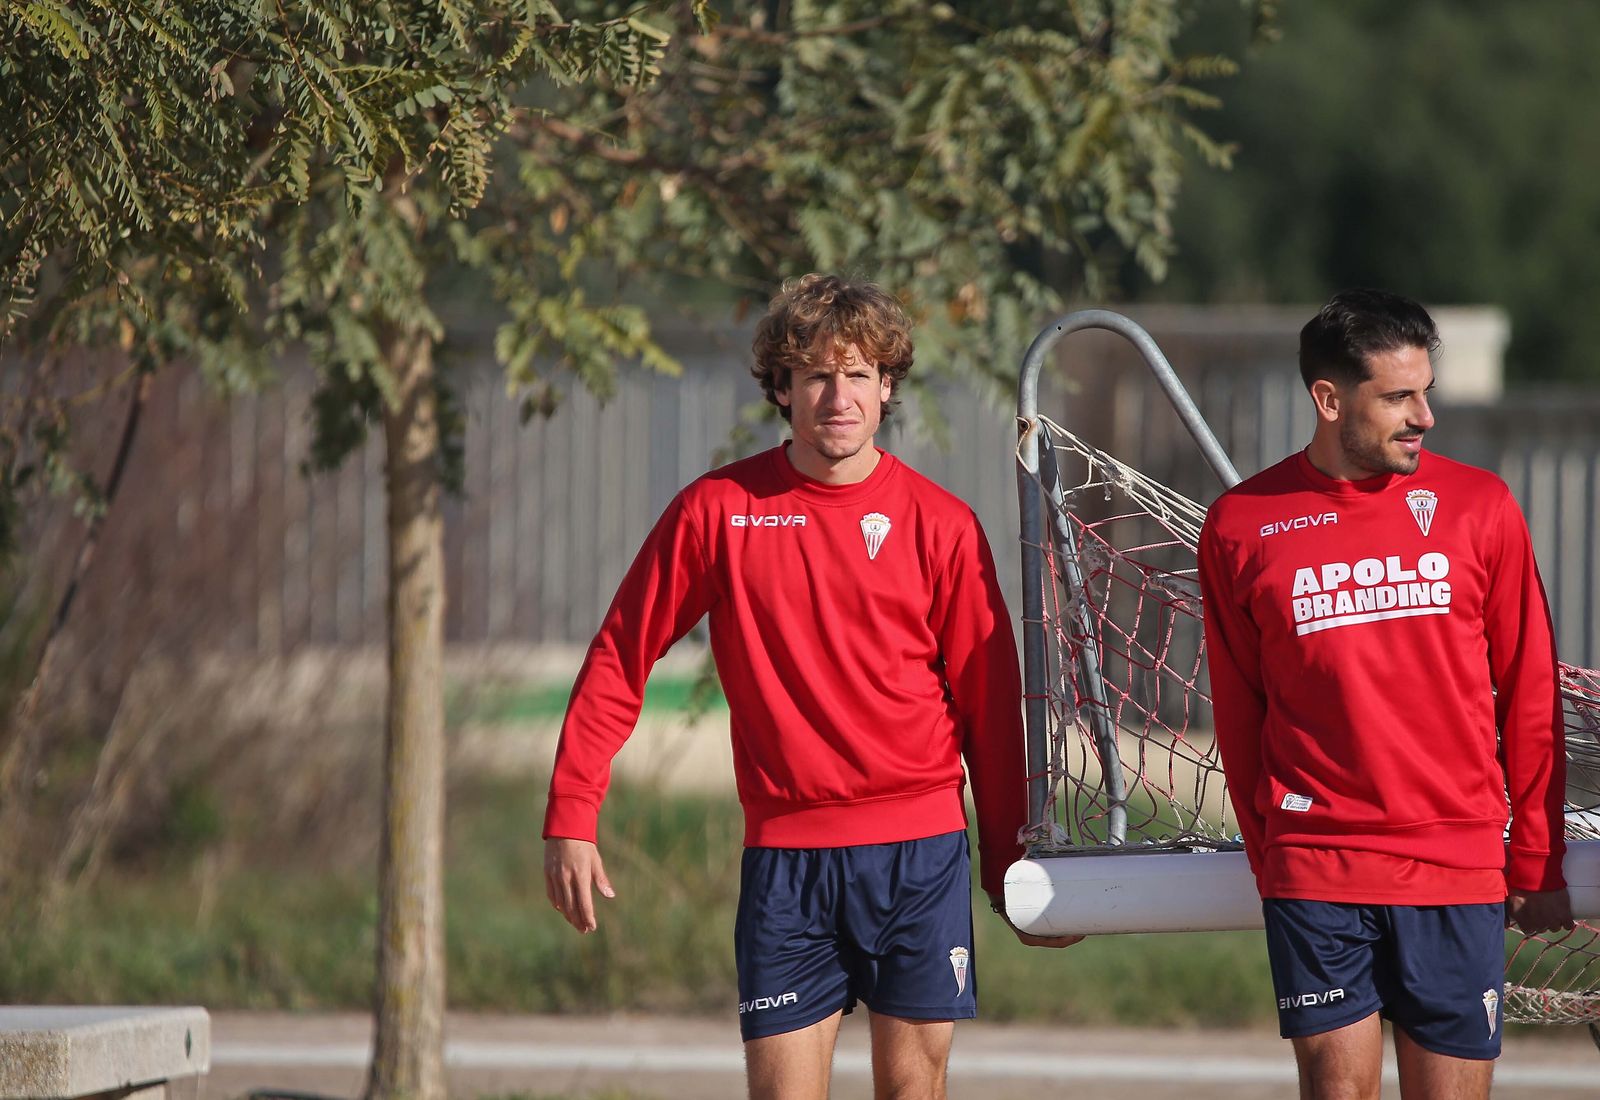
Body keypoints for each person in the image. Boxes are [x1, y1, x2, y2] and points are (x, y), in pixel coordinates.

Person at [543, 273, 1078, 1100]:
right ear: (782, 385)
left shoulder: (941, 524)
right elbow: (621, 653)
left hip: (919, 856)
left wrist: (1007, 861)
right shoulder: (718, 511)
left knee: (912, 1091)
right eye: (817, 374)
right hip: (787, 863)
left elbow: (989, 704)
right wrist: (573, 813)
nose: (839, 395)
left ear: (887, 385)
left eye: (858, 373)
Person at [1197, 288, 1573, 1100]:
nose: (1424, 415)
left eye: (1425, 391)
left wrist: (1536, 853)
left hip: (1455, 866)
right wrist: (1276, 861)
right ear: (1329, 400)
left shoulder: (1482, 508)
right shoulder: (1239, 526)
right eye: (1398, 396)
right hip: (1319, 870)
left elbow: (1530, 692)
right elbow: (1239, 712)